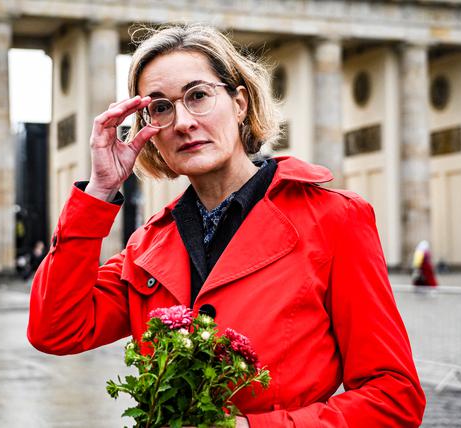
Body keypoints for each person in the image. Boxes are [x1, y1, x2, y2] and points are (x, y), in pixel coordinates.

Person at [27, 25, 425, 427]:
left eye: (198, 95)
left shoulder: (334, 219)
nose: (182, 121)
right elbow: (56, 330)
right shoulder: (148, 244)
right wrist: (100, 191)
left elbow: (394, 397)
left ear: (239, 102)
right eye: (161, 107)